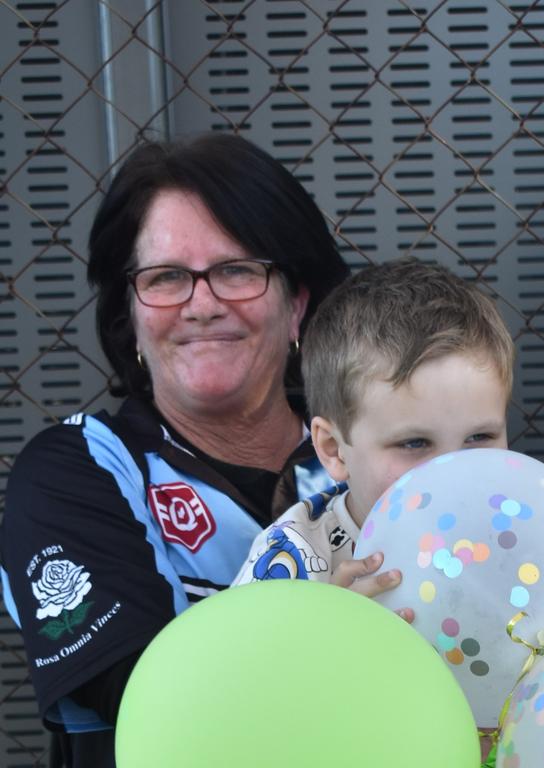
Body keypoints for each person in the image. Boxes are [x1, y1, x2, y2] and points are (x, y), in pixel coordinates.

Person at [0, 133, 392, 768]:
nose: (202, 304)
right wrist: (325, 636)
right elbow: (147, 703)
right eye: (166, 277)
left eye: (237, 270)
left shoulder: (376, 448)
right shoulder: (79, 470)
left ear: (296, 305)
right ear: (129, 316)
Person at [232, 258, 515, 590]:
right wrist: (328, 627)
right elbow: (241, 643)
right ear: (334, 450)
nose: (452, 472)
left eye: (479, 437)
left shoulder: (517, 524)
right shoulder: (291, 560)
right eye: (415, 443)